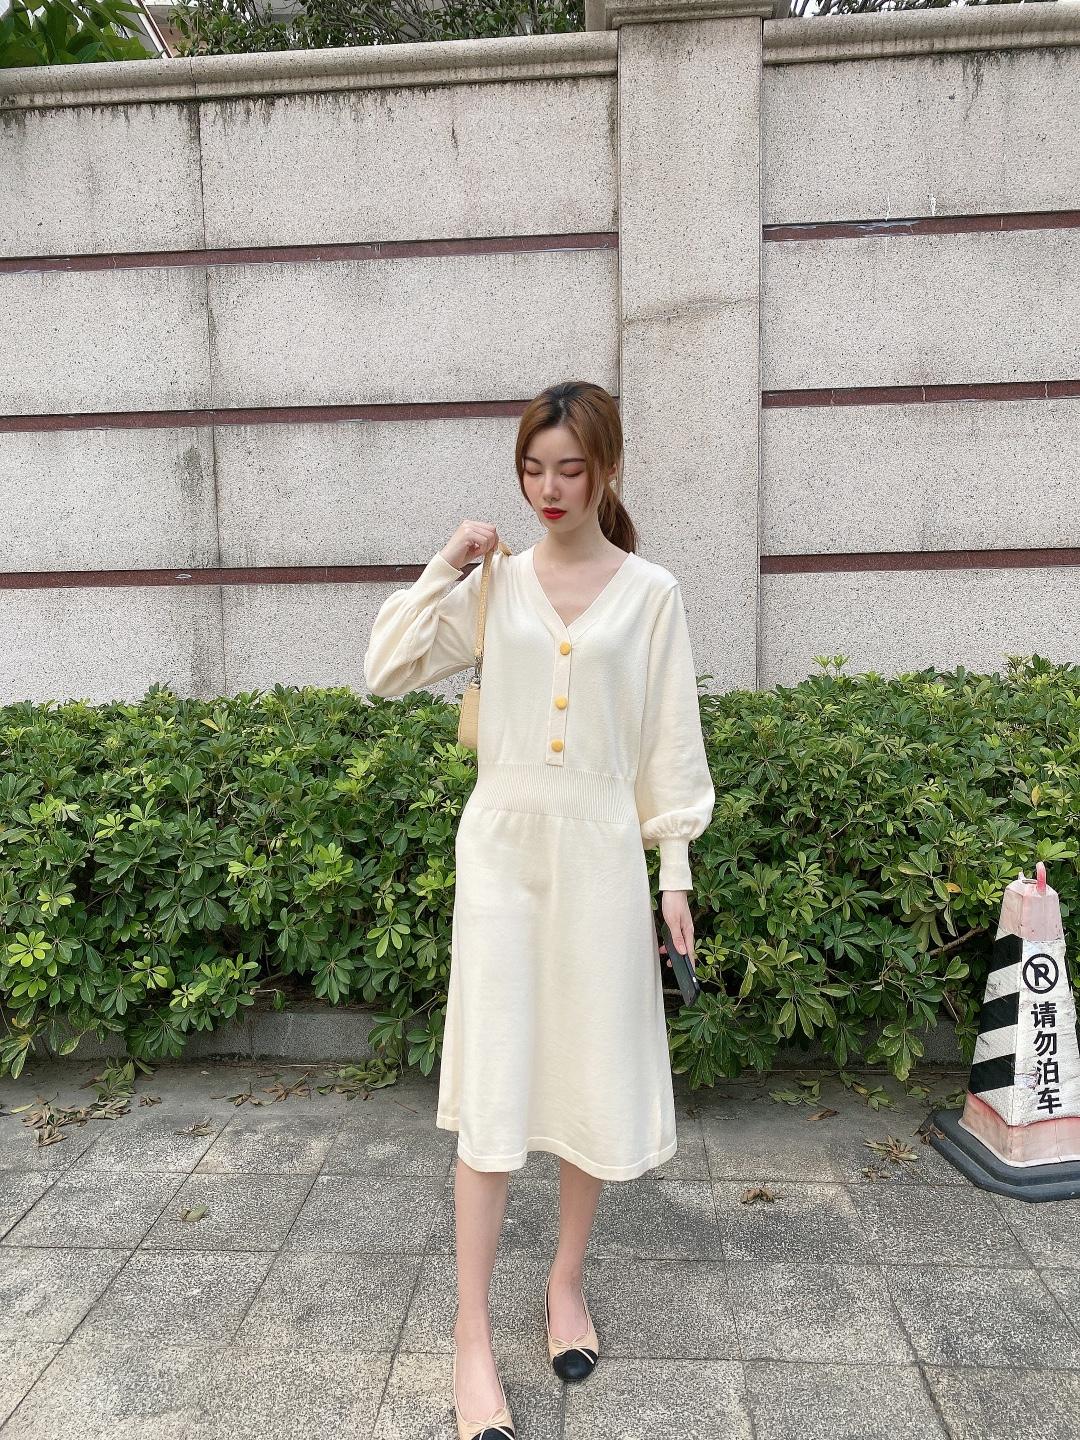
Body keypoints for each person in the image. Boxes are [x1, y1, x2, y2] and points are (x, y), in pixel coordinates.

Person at [363, 380, 715, 1440]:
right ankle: (470, 1332)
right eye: (533, 468)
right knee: (494, 1089)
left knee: (585, 1079)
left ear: (606, 469)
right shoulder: (494, 586)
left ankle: (565, 1280)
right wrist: (446, 564)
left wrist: (674, 869)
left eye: (570, 468)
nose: (549, 489)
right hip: (504, 860)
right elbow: (384, 670)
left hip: (601, 856)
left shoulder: (650, 594)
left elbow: (667, 740)